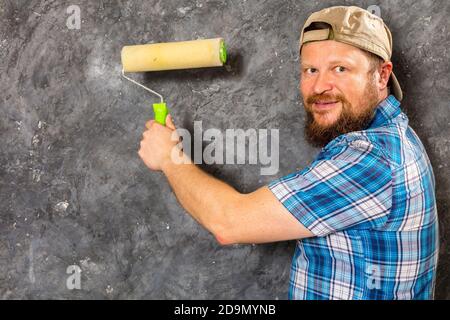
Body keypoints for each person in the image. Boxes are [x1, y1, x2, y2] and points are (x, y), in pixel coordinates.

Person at [137, 6, 439, 300]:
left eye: (340, 68)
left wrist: (168, 158)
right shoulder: (395, 136)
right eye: (311, 70)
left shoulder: (372, 159)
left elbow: (229, 223)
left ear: (382, 75)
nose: (320, 86)